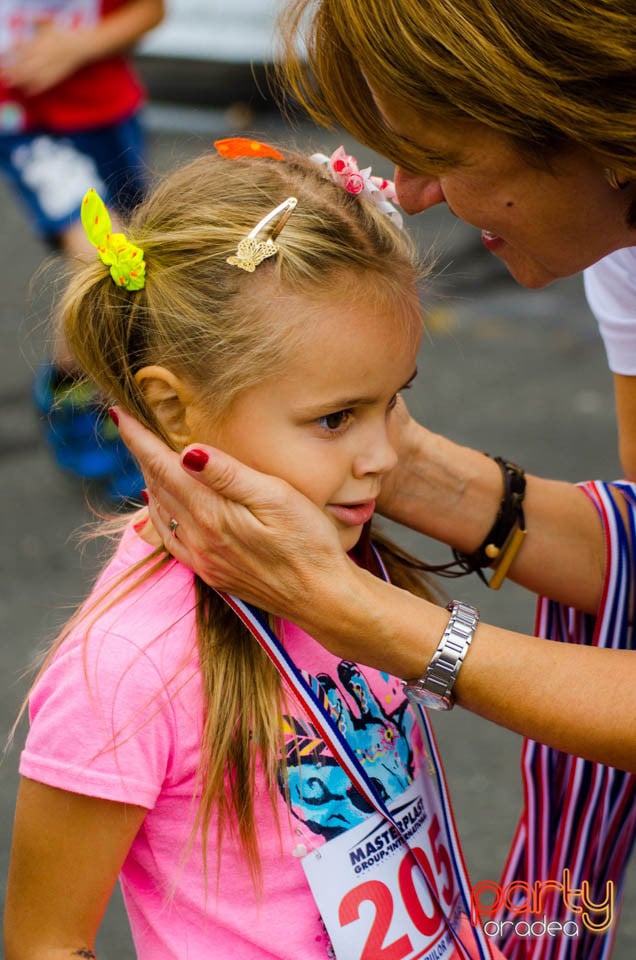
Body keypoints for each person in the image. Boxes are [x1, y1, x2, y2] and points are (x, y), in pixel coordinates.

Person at [4, 143, 509, 960]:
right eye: (337, 418)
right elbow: (45, 942)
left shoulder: (350, 564)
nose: (385, 455)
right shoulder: (129, 664)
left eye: (394, 401)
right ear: (175, 411)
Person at [1, 0, 164, 501]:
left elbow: (150, 11)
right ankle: (110, 411)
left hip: (111, 117)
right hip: (30, 125)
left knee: (137, 258)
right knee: (106, 256)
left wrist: (80, 44)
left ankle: (70, 387)